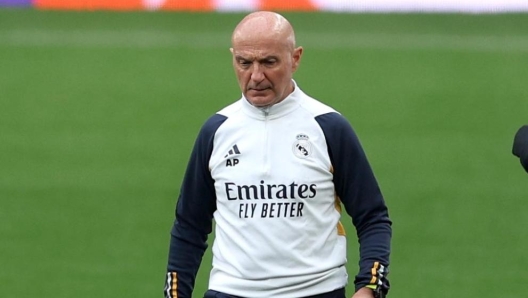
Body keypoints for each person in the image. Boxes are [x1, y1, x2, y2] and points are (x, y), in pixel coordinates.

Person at [164, 11, 392, 298]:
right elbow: (189, 225)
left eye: (269, 62)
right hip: (230, 291)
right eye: (244, 63)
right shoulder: (216, 130)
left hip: (315, 292)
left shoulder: (328, 128)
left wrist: (370, 287)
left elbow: (372, 216)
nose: (256, 76)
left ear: (295, 58)